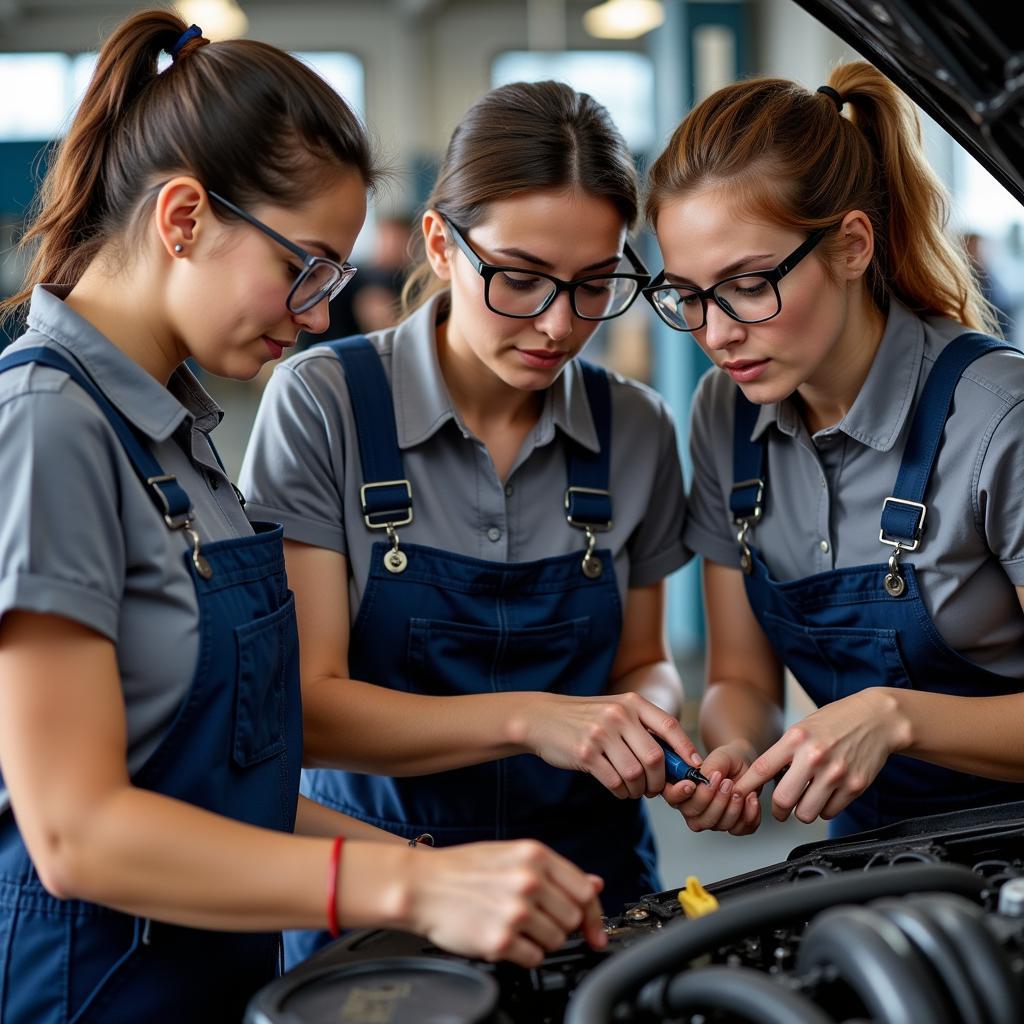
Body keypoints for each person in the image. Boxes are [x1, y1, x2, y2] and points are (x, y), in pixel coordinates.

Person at [0, 14, 608, 1023]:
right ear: (184, 217)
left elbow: (206, 782)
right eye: (306, 267)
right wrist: (408, 889)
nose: (321, 310)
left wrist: (427, 864)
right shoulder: (46, 429)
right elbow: (76, 832)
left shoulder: (170, 435)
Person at [239, 79, 699, 963]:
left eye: (596, 284)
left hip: (591, 889)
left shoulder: (636, 426)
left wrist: (650, 729)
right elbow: (306, 708)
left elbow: (645, 663)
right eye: (520, 278)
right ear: (441, 244)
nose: (561, 324)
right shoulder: (325, 404)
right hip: (378, 890)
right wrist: (534, 717)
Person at [643, 62, 1024, 840]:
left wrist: (898, 717)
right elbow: (741, 678)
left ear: (851, 246)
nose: (715, 334)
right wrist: (734, 747)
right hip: (869, 864)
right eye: (687, 295)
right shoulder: (726, 413)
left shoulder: (999, 418)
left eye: (748, 285)